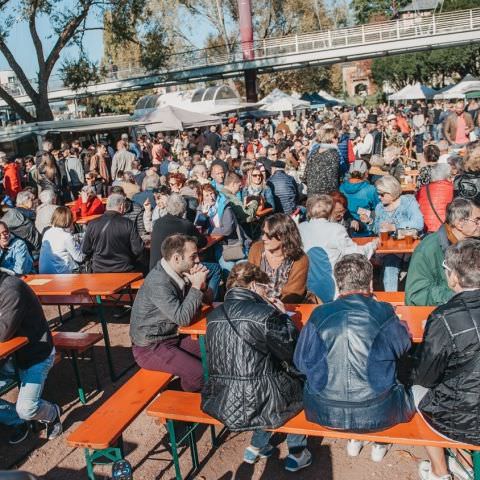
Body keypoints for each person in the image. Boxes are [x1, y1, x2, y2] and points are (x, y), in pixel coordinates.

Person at [294, 253, 414, 462]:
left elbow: (301, 362)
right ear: (370, 282)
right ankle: (379, 442)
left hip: (324, 409)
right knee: (402, 367)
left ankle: (356, 440)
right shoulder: (384, 311)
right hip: (379, 410)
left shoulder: (319, 314)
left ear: (338, 283)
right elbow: (404, 345)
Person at [201, 262, 311, 472]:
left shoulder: (213, 317)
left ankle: (258, 445)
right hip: (261, 399)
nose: (266, 292)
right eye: (263, 287)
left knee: (262, 376)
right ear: (253, 286)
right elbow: (292, 351)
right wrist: (283, 317)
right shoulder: (265, 314)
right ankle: (297, 452)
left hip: (222, 398)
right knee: (301, 380)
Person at [413, 239, 480, 480]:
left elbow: (426, 375)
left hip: (460, 421)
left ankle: (439, 471)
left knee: (415, 390)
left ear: (453, 278)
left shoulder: (443, 316)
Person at [129, 234, 209, 392]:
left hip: (173, 336)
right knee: (198, 374)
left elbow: (207, 301)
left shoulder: (179, 273)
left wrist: (202, 286)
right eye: (193, 256)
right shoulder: (159, 281)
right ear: (177, 258)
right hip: (151, 347)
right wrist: (195, 287)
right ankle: (172, 399)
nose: (198, 260)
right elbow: (183, 318)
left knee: (215, 351)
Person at [0, 273, 62, 444]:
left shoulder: (11, 289)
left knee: (27, 409)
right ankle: (15, 419)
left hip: (36, 355)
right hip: (9, 358)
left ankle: (52, 413)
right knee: (21, 413)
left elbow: (2, 333)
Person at [406, 197, 480, 306]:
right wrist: (457, 297)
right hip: (443, 313)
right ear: (459, 223)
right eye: (477, 220)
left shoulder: (474, 243)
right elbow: (416, 294)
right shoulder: (428, 249)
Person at [299, 195, 377, 296]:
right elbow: (357, 254)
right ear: (330, 211)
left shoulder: (301, 228)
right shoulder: (336, 229)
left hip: (308, 286)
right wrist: (372, 245)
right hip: (332, 286)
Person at [363, 175, 424, 291]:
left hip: (409, 248)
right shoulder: (379, 207)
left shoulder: (408, 202)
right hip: (390, 251)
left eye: (382, 194)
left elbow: (418, 223)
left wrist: (394, 227)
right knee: (390, 265)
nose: (379, 197)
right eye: (378, 194)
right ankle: (391, 301)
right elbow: (378, 230)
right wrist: (370, 222)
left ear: (391, 192)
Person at [248, 213, 309, 303]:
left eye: (268, 235)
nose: (263, 238)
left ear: (283, 237)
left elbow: (293, 295)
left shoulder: (300, 259)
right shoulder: (256, 249)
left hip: (285, 306)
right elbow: (248, 279)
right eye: (263, 233)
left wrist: (272, 305)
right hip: (256, 303)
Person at [82, 193, 144, 273]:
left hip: (99, 269)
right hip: (124, 269)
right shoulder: (128, 223)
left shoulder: (92, 224)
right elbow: (138, 250)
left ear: (107, 206)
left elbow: (85, 249)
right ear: (121, 206)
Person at [195, 183, 249, 275]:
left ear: (215, 193)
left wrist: (208, 231)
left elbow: (227, 230)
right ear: (202, 198)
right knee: (229, 272)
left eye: (211, 193)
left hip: (234, 243)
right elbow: (197, 229)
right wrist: (203, 215)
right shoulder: (202, 209)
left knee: (243, 272)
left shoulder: (224, 206)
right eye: (206, 195)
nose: (211, 198)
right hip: (219, 247)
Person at [150, 193, 207, 269]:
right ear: (183, 209)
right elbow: (203, 242)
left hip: (154, 268)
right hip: (172, 271)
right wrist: (194, 239)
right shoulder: (185, 225)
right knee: (215, 268)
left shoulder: (157, 223)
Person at [39, 207, 85, 274]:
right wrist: (86, 249)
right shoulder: (66, 236)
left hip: (44, 271)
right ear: (69, 220)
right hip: (61, 274)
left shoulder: (47, 232)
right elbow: (79, 258)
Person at [339, 160, 380, 235]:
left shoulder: (341, 187)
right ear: (366, 174)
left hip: (346, 227)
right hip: (366, 228)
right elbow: (379, 208)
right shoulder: (370, 189)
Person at [1, 190, 41, 256]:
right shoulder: (30, 214)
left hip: (20, 249)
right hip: (35, 250)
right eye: (32, 200)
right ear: (26, 201)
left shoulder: (11, 214)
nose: (34, 202)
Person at [417, 164, 454, 233]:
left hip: (425, 228)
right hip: (444, 229)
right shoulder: (452, 188)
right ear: (447, 176)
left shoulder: (422, 189)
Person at [305, 128, 340, 195]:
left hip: (311, 191)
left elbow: (305, 174)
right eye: (336, 137)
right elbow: (332, 178)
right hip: (325, 194)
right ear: (331, 138)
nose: (337, 140)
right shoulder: (333, 153)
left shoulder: (314, 152)